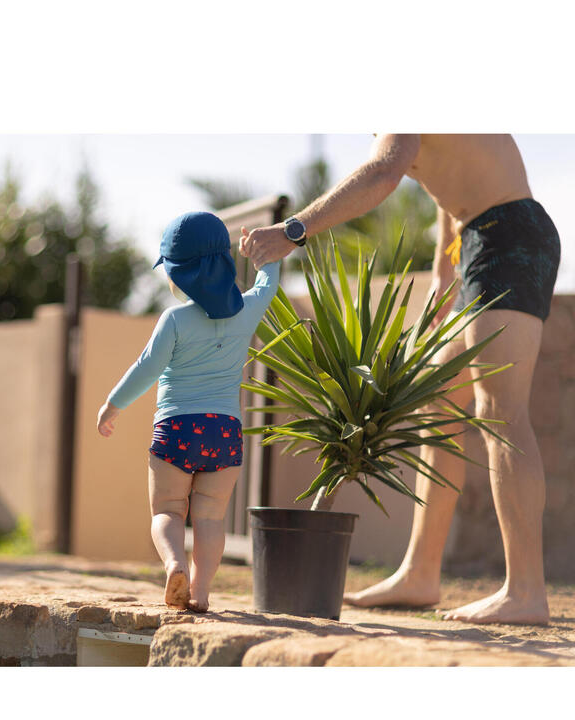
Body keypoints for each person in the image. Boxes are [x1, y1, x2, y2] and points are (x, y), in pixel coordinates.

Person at [240, 134, 560, 624]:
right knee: (439, 399)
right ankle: (420, 574)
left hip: (508, 236)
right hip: (479, 241)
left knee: (501, 410)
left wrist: (294, 229)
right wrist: (442, 272)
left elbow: (383, 174)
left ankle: (525, 592)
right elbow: (446, 192)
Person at [97, 211, 280, 613]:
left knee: (167, 510)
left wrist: (112, 405)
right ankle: (200, 592)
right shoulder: (247, 310)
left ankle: (174, 563)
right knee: (211, 518)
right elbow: (269, 283)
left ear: (179, 275)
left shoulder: (175, 319)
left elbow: (146, 368)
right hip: (225, 433)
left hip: (176, 430)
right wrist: (265, 255)